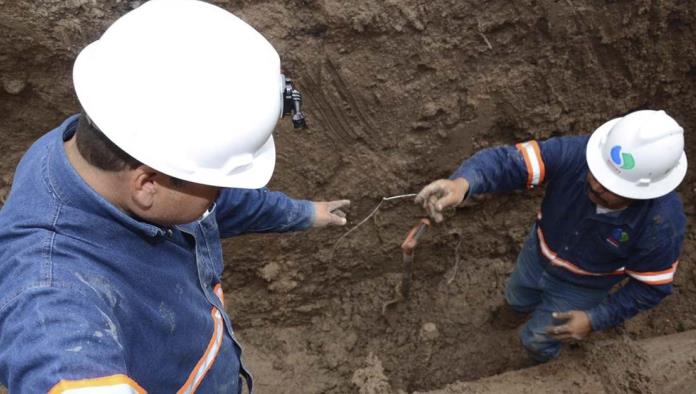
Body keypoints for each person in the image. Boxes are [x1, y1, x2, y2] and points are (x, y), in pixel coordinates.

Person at [0, 0, 349, 392]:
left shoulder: (94, 147)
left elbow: (217, 206)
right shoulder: (51, 292)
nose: (221, 195)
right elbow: (62, 363)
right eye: (216, 185)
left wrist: (304, 214)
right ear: (148, 184)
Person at [415, 109, 687, 362]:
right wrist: (463, 182)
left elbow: (651, 287)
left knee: (540, 338)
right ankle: (509, 316)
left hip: (582, 288)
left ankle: (532, 365)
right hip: (537, 254)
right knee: (516, 295)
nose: (596, 184)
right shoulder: (580, 153)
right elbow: (510, 163)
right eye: (597, 173)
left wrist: (594, 319)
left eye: (612, 186)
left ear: (645, 191)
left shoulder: (661, 223)